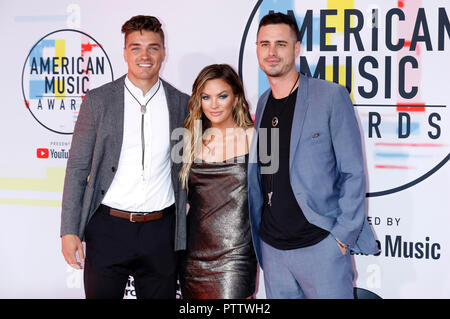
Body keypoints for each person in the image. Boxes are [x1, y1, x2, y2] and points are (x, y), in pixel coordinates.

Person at [247, 12, 379, 299]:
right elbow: (269, 169)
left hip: (321, 248)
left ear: (296, 49)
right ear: (256, 48)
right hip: (273, 252)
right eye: (264, 44)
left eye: (281, 44)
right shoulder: (263, 102)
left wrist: (342, 238)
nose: (271, 52)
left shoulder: (330, 96)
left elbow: (352, 172)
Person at [60, 15, 189, 299]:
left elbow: (189, 167)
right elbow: (78, 169)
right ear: (124, 52)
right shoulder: (97, 101)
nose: (145, 55)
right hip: (108, 230)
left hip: (161, 232)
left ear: (164, 52)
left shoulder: (182, 104)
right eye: (136, 47)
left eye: (153, 47)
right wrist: (69, 231)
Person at [179, 64, 257, 299]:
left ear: (235, 98)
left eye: (222, 96)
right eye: (206, 97)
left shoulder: (255, 137)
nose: (214, 104)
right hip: (193, 257)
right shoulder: (189, 140)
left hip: (236, 255)